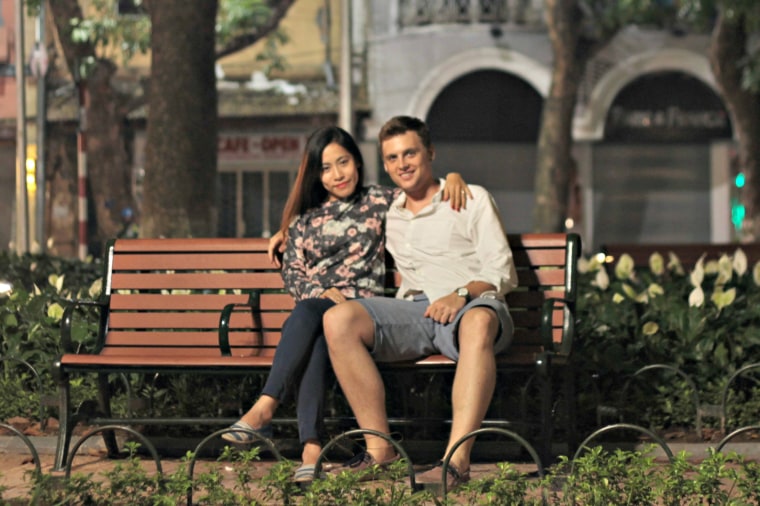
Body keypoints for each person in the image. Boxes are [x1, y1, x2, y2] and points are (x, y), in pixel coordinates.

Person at [220, 125, 471, 484]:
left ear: (357, 162)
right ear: (316, 175)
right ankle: (309, 451)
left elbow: (420, 190)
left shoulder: (381, 202)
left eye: (344, 162)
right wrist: (292, 244)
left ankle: (266, 410)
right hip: (319, 308)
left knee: (320, 319)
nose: (337, 174)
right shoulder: (304, 222)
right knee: (316, 319)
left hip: (363, 314)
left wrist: (454, 177)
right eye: (326, 167)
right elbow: (293, 275)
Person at [322, 116, 517, 491]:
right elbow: (328, 208)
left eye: (410, 153)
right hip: (416, 312)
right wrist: (286, 229)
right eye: (392, 158)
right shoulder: (387, 208)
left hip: (472, 307)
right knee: (339, 320)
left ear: (430, 152)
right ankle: (380, 451)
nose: (402, 164)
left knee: (477, 322)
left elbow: (501, 271)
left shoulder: (470, 197)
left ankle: (455, 462)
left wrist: (459, 294)